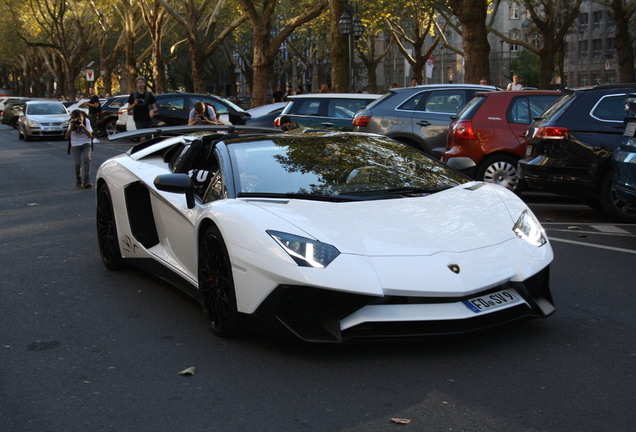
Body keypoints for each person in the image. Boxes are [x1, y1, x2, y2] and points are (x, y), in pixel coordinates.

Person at [66, 109, 94, 188]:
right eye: (76, 119)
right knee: (77, 163)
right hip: (75, 144)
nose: (78, 121)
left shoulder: (86, 121)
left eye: (79, 119)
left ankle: (87, 181)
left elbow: (90, 135)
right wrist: (71, 127)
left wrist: (83, 127)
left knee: (87, 159)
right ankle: (79, 179)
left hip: (86, 143)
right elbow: (67, 136)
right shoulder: (71, 122)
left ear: (82, 117)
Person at [127, 76, 158, 141]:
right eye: (138, 82)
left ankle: (146, 150)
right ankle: (142, 150)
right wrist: (134, 104)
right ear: (136, 84)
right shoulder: (133, 95)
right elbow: (128, 109)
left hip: (147, 119)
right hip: (138, 119)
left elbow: (155, 108)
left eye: (142, 82)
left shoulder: (149, 95)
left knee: (148, 139)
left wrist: (152, 111)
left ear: (144, 84)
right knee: (143, 138)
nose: (140, 84)